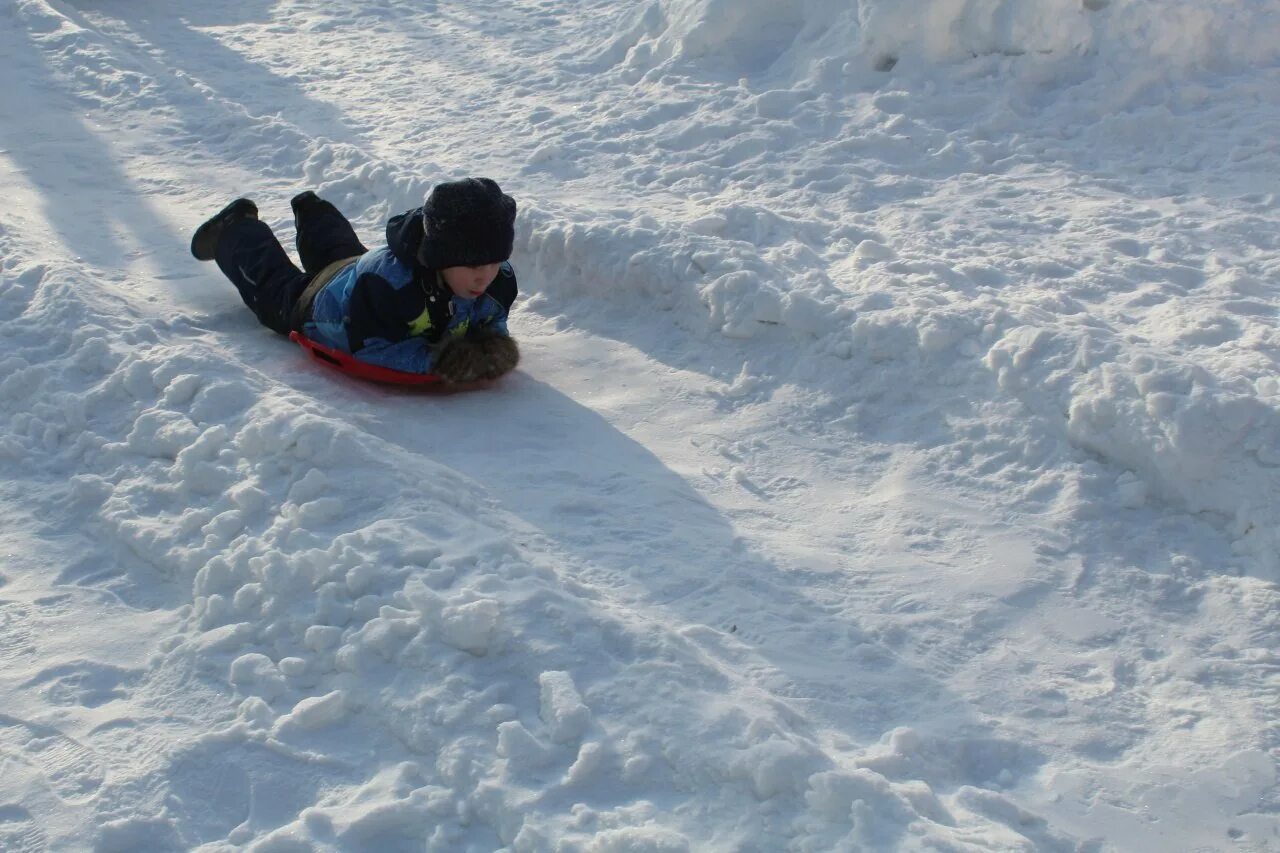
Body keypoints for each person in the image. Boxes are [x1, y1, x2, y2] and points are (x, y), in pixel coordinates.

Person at [190, 177, 520, 384]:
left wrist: (491, 348)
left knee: (343, 256)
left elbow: (490, 321)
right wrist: (442, 361)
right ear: (441, 256)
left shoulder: (497, 282)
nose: (485, 275)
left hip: (357, 271)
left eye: (495, 262)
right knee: (278, 290)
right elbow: (369, 348)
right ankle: (236, 229)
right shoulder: (388, 287)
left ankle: (313, 211)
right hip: (329, 307)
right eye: (473, 264)